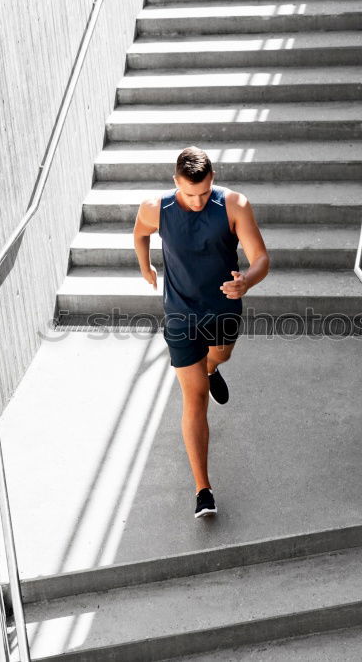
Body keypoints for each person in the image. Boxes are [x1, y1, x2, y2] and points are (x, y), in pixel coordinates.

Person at [132, 146, 270, 519]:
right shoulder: (156, 208)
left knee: (221, 354)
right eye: (190, 194)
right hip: (180, 315)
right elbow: (140, 232)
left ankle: (213, 367)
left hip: (223, 308)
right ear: (175, 183)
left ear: (213, 182)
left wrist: (247, 281)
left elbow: (261, 258)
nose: (198, 201)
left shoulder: (234, 205)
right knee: (195, 400)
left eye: (205, 192)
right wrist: (145, 267)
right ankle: (203, 490)